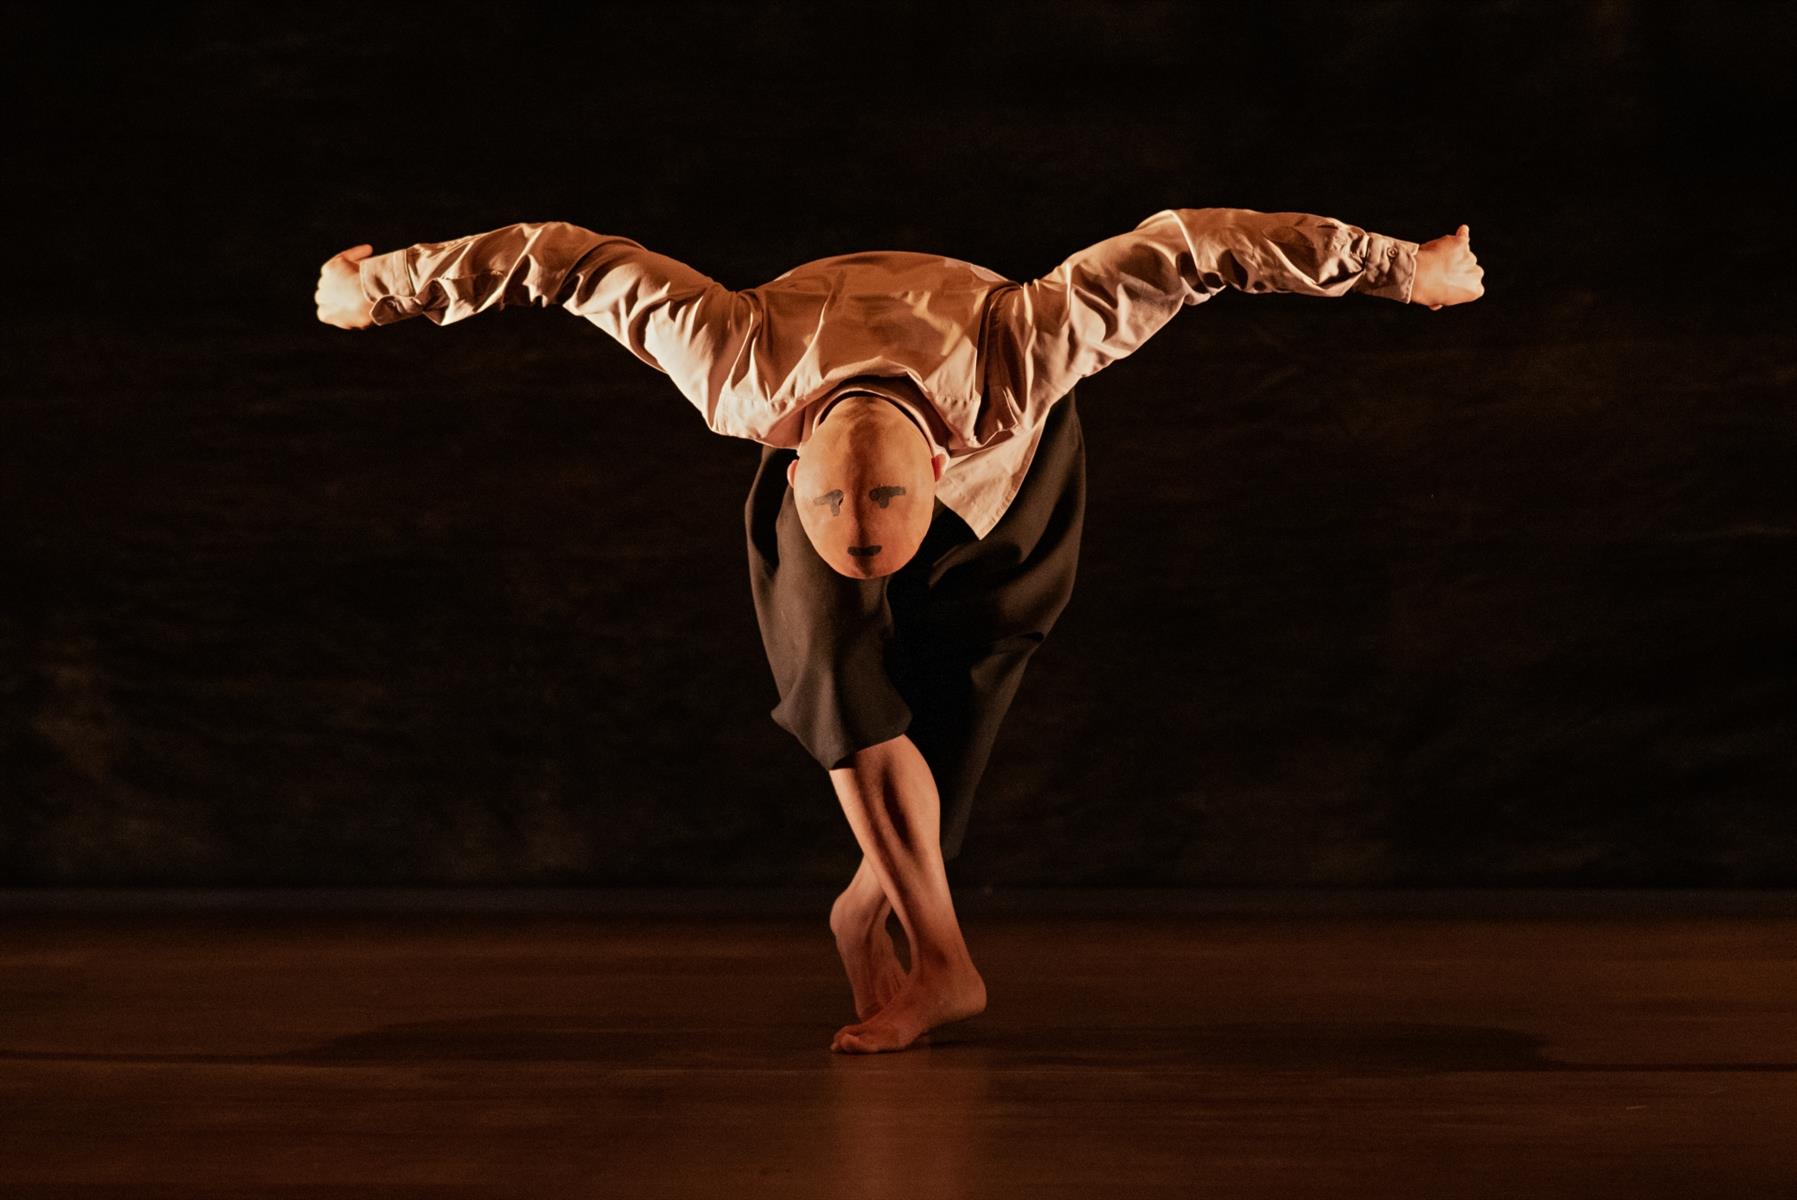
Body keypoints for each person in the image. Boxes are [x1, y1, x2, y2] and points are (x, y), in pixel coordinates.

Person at [314, 207, 1485, 1053]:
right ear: (789, 466)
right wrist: (387, 289)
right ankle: (946, 967)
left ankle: (869, 901)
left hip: (1011, 480)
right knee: (837, 679)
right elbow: (561, 259)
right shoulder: (732, 365)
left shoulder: (1027, 348)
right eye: (839, 504)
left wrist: (1404, 269)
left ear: (931, 473)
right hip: (824, 404)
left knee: (947, 729)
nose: (866, 521)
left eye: (884, 504)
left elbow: (1195, 247)